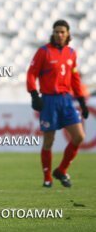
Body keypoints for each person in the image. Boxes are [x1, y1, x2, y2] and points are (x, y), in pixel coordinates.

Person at [26, 19, 89, 188]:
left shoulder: (71, 53)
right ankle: (47, 178)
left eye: (62, 32)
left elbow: (74, 78)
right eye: (56, 32)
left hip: (66, 100)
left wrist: (82, 101)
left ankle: (61, 170)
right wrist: (34, 94)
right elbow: (32, 73)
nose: (59, 35)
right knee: (49, 140)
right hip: (49, 100)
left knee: (79, 136)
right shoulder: (44, 52)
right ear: (53, 33)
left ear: (68, 34)